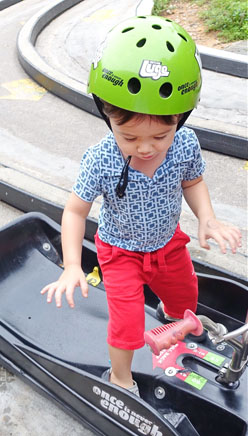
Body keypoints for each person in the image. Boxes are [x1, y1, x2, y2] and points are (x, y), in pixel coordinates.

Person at [40, 15, 242, 396]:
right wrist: (71, 266)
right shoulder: (100, 159)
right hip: (121, 253)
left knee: (186, 298)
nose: (146, 147)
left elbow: (193, 181)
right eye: (129, 136)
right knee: (127, 323)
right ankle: (120, 377)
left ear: (181, 119)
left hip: (169, 245)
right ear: (106, 114)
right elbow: (75, 210)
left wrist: (208, 218)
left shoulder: (184, 144)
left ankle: (171, 319)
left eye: (160, 135)